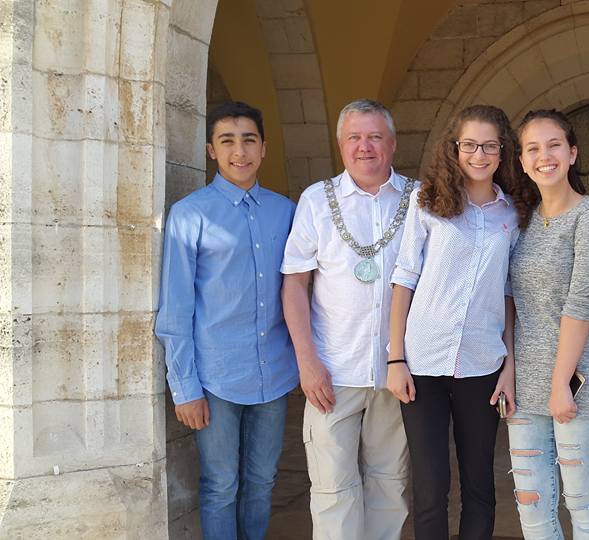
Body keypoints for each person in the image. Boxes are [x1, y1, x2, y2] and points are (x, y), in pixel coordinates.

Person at [156, 101, 297, 540]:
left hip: (273, 373)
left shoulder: (286, 211)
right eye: (228, 141)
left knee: (262, 482)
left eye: (249, 140)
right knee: (221, 485)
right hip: (214, 377)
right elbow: (176, 305)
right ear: (211, 150)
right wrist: (185, 388)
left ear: (264, 148)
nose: (240, 151)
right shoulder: (190, 214)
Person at [386, 105, 521, 540]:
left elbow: (508, 293)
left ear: (503, 151)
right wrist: (396, 359)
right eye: (469, 145)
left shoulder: (512, 215)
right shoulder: (426, 202)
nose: (479, 155)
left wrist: (509, 366)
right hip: (422, 362)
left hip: (482, 365)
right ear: (454, 148)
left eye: (489, 146)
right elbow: (404, 278)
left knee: (480, 483)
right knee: (430, 486)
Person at [281, 99, 412, 540]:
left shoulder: (421, 199)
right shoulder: (317, 201)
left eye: (375, 137)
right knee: (333, 490)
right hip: (331, 373)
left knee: (389, 486)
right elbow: (294, 285)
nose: (365, 147)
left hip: (397, 371)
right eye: (354, 137)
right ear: (340, 145)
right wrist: (306, 361)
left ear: (392, 144)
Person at [507, 109, 589, 540]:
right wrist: (508, 376)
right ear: (522, 161)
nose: (545, 156)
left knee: (583, 504)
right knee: (532, 504)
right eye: (533, 148)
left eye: (554, 145)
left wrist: (560, 384)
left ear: (572, 153)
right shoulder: (520, 221)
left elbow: (580, 304)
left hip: (580, 377)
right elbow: (510, 304)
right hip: (525, 381)